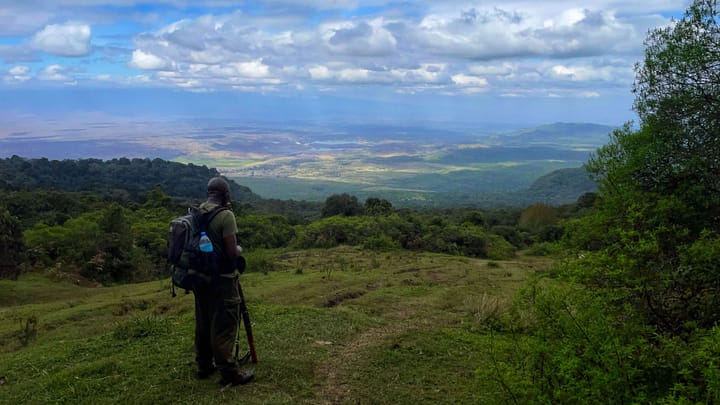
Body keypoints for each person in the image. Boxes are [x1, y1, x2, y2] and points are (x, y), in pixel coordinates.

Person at [193, 176, 254, 386]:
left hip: (201, 278)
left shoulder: (199, 211)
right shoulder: (226, 215)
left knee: (204, 321)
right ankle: (229, 372)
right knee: (225, 324)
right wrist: (239, 250)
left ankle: (204, 365)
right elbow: (231, 252)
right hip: (223, 279)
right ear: (225, 194)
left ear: (209, 192)